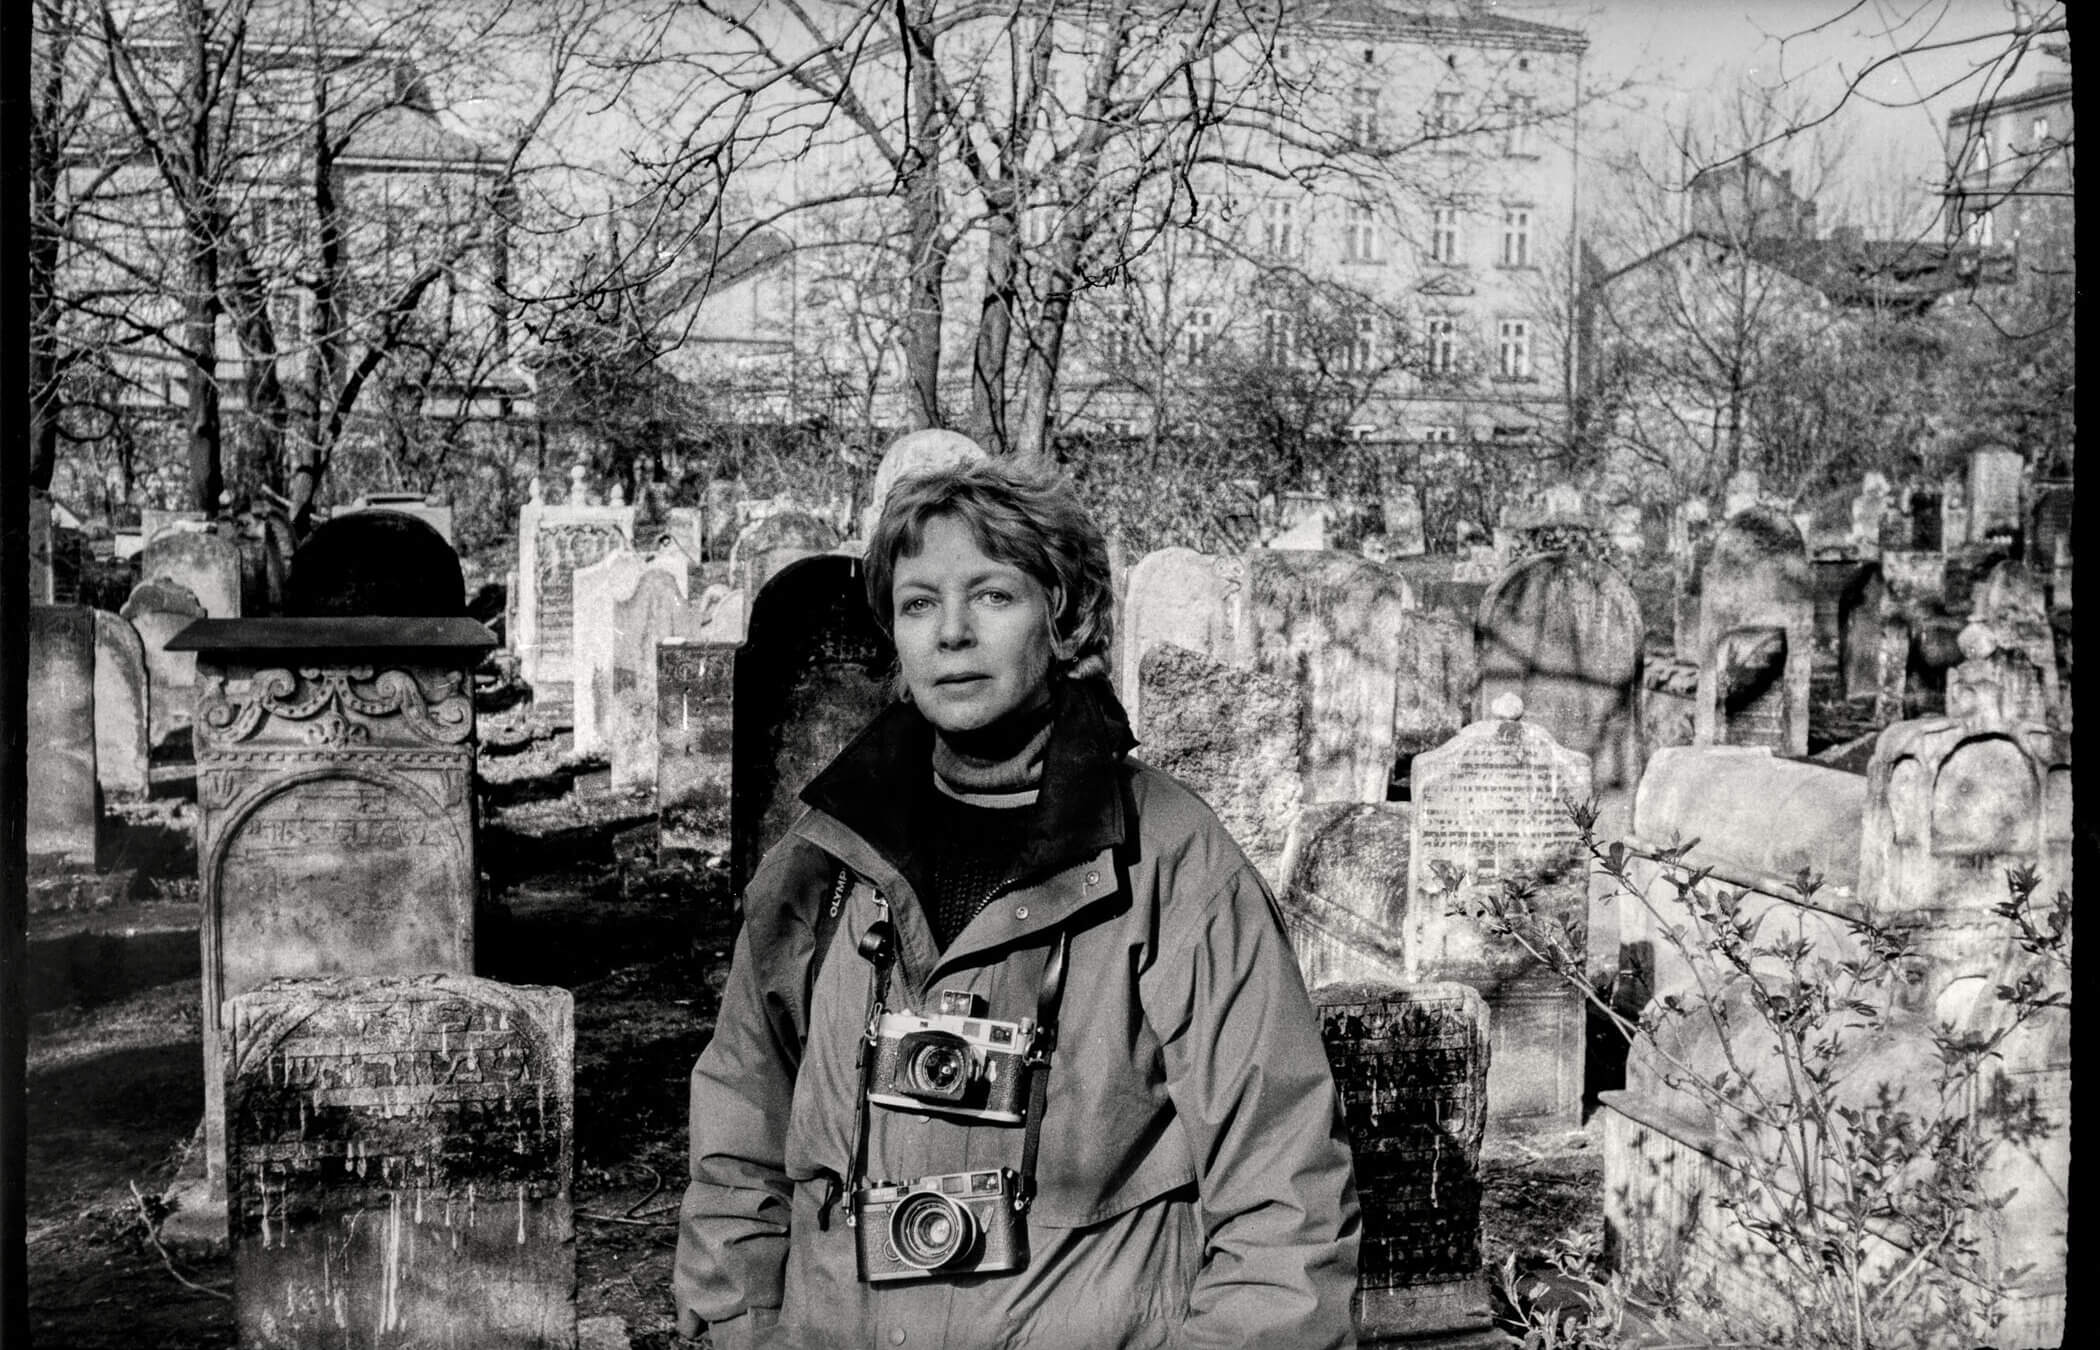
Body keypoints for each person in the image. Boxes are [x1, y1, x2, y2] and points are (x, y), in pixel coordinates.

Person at [674, 455, 1359, 1349]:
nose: (950, 633)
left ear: (1063, 617)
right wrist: (742, 1331)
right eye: (919, 603)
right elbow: (737, 1141)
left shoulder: (1170, 860)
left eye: (991, 595)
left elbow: (1284, 1197)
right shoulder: (822, 862)